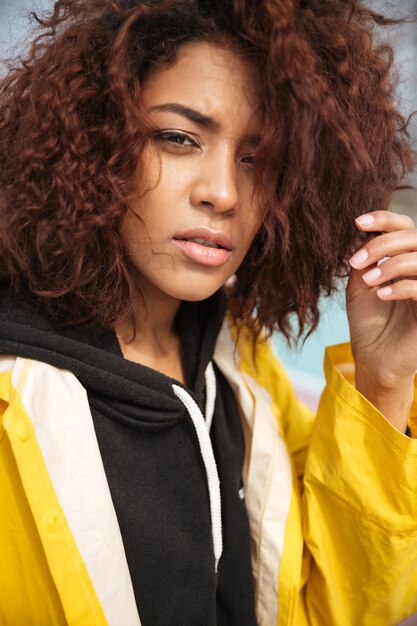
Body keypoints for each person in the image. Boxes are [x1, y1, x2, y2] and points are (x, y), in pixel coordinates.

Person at [0, 0, 417, 624]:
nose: (222, 192)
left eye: (258, 158)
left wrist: (384, 382)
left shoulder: (242, 365)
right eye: (178, 138)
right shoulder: (14, 390)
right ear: (94, 139)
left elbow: (329, 608)